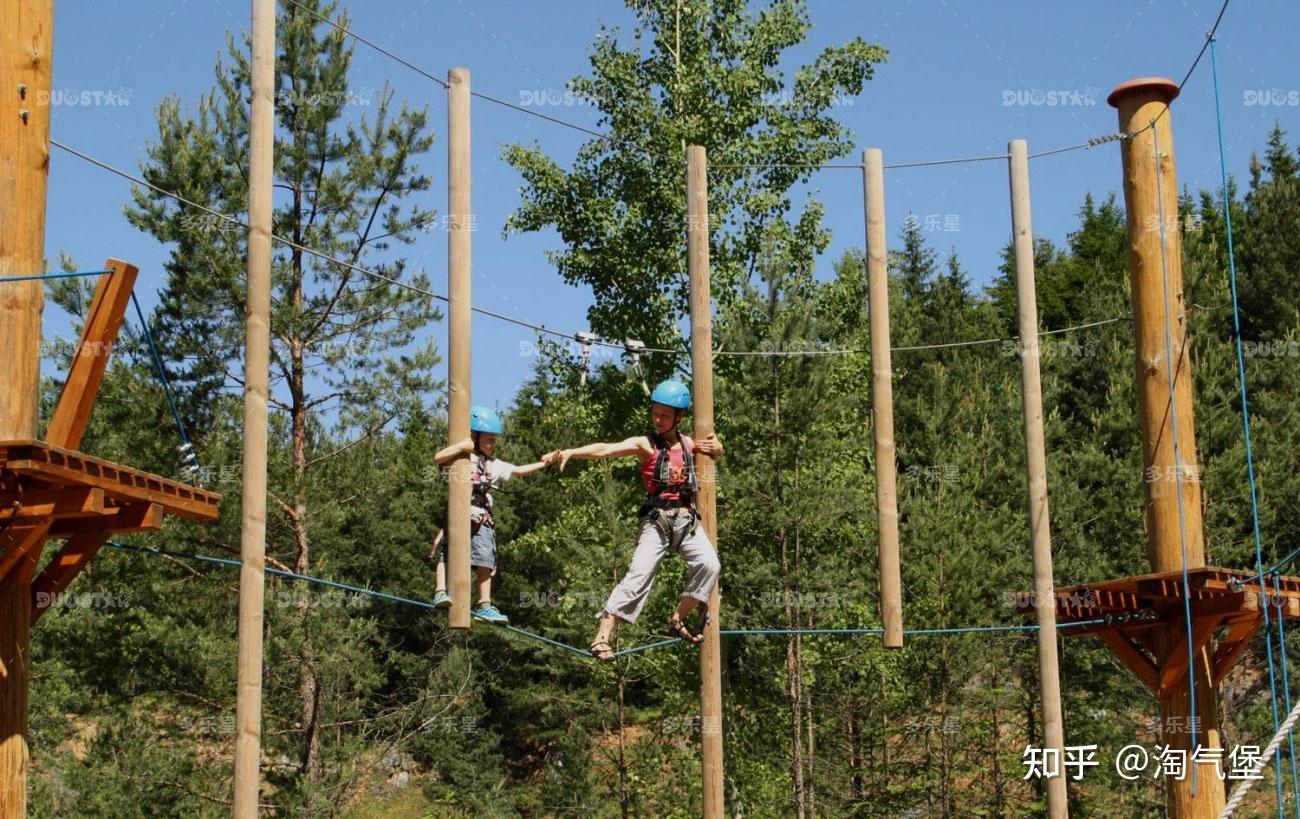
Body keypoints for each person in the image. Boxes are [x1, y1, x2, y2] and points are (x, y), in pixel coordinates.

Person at [543, 380, 722, 662]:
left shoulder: (688, 444)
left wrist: (718, 447)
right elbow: (606, 449)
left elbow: (712, 448)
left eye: (665, 415)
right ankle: (602, 636)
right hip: (658, 522)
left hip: (687, 519)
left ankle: (677, 618)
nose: (658, 419)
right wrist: (571, 452)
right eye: (655, 413)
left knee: (710, 564)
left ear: (679, 417)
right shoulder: (645, 445)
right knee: (638, 576)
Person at [431, 406, 549, 624]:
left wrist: (545, 463)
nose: (493, 444)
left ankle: (484, 604)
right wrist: (461, 446)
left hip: (481, 518)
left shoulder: (492, 465)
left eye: (495, 440)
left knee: (485, 559)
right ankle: (440, 591)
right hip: (459, 515)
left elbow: (520, 470)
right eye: (489, 439)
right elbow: (438, 457)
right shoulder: (460, 458)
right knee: (447, 553)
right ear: (474, 436)